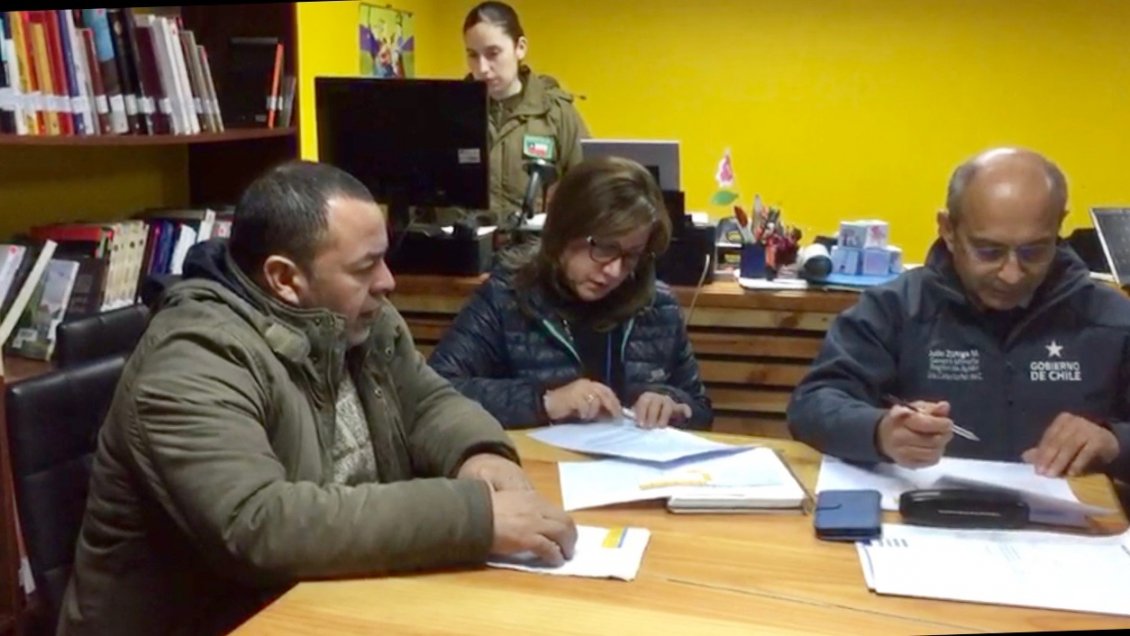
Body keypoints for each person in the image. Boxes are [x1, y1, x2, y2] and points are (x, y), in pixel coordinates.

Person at [59, 161, 577, 636]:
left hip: (330, 596)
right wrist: (474, 517)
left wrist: (478, 455)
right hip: (221, 620)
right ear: (285, 279)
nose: (388, 282)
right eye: (365, 266)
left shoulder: (358, 317)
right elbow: (258, 525)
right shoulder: (194, 358)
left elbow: (427, 401)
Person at [787, 147, 1130, 480]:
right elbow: (813, 404)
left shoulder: (1113, 320)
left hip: (1072, 517)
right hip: (922, 509)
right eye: (989, 251)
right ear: (948, 230)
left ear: (1059, 226)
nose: (1011, 274)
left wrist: (1115, 443)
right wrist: (879, 431)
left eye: (1033, 251)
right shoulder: (894, 309)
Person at [428, 156, 712, 430]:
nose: (614, 271)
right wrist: (545, 402)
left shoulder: (658, 305)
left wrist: (673, 405)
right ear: (564, 231)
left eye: (631, 255)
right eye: (604, 248)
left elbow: (700, 409)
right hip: (534, 459)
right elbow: (437, 390)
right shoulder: (507, 296)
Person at [463, 1, 590, 221]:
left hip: (537, 241)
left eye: (493, 53)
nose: (482, 68)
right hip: (464, 241)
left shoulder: (556, 113)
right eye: (473, 55)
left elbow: (591, 189)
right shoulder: (450, 113)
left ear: (520, 47)